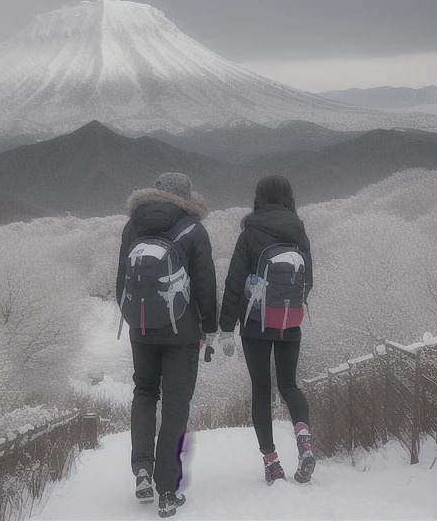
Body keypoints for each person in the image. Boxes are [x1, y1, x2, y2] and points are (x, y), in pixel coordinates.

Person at [116, 172, 217, 518]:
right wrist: (211, 328)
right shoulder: (193, 228)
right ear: (186, 196)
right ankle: (167, 490)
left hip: (141, 330)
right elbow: (205, 285)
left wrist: (135, 321)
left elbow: (121, 281)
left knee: (144, 392)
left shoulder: (133, 226)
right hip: (183, 334)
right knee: (176, 405)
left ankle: (142, 468)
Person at [213, 174, 315, 485]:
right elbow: (307, 281)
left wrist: (226, 328)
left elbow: (233, 282)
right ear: (288, 197)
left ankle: (272, 463)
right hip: (290, 322)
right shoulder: (299, 232)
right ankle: (305, 441)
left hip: (256, 324)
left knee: (261, 389)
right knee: (289, 385)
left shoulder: (250, 232)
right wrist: (291, 307)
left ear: (259, 198)